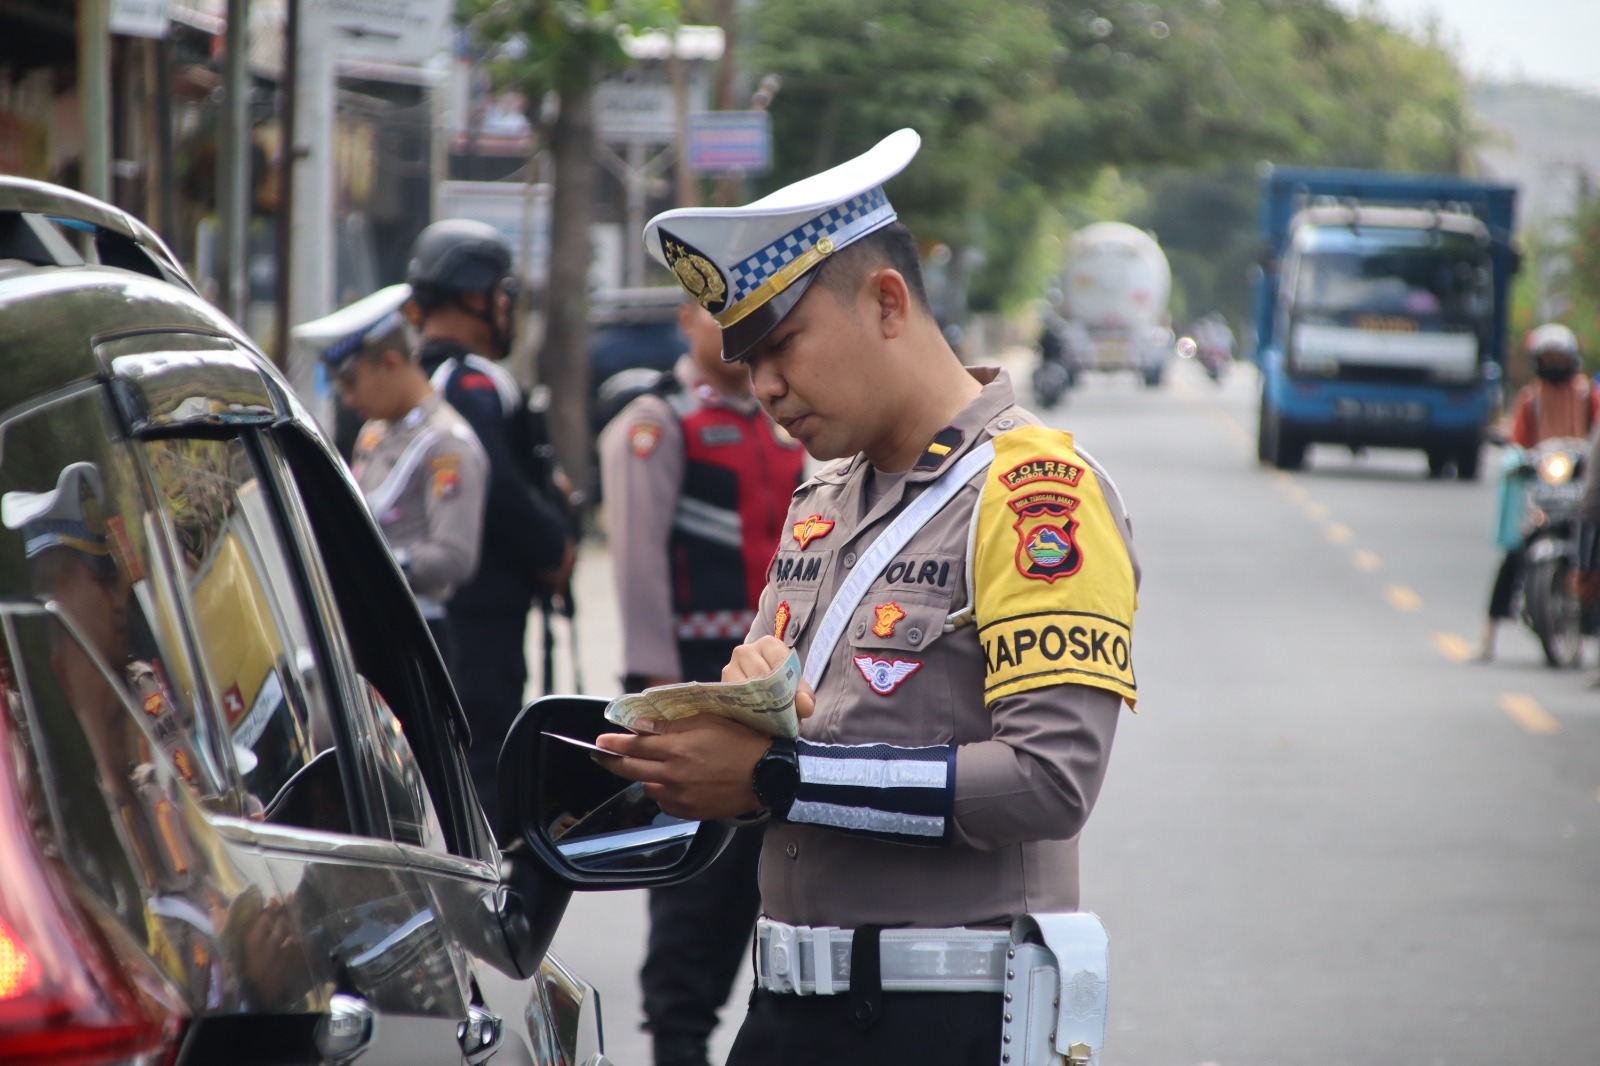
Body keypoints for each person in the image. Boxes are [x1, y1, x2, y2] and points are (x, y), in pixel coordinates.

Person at [592, 128, 1140, 1066]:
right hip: (788, 1012)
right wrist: (742, 711)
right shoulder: (824, 497)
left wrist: (779, 776)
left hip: (948, 1017)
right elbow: (794, 730)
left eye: (784, 343)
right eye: (745, 355)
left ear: (889, 301)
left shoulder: (1032, 493)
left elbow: (1050, 781)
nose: (762, 384)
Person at [598, 298, 806, 1066]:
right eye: (719, 314)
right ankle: (678, 1040)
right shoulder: (660, 420)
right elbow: (639, 567)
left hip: (769, 695)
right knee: (693, 890)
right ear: (686, 319)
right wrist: (658, 696)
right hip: (689, 685)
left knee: (762, 884)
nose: (737, 333)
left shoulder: (782, 416)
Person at [401, 219, 577, 826]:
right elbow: (497, 484)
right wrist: (554, 545)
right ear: (473, 295)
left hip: (437, 608)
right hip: (479, 611)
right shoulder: (470, 382)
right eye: (502, 292)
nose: (509, 307)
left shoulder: (414, 379)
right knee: (482, 758)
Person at [322, 308, 489, 667]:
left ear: (392, 363)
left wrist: (366, 563)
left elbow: (455, 557)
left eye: (351, 383)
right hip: (366, 627)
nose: (348, 399)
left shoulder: (446, 444)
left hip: (415, 633)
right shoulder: (376, 431)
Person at [1477, 322, 1597, 660]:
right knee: (1514, 557)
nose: (1555, 364)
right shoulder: (1531, 399)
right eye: (1549, 357)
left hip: (1582, 491)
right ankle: (1488, 635)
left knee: (1593, 555)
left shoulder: (1589, 396)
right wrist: (1517, 459)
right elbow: (1517, 442)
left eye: (1560, 357)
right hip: (1547, 492)